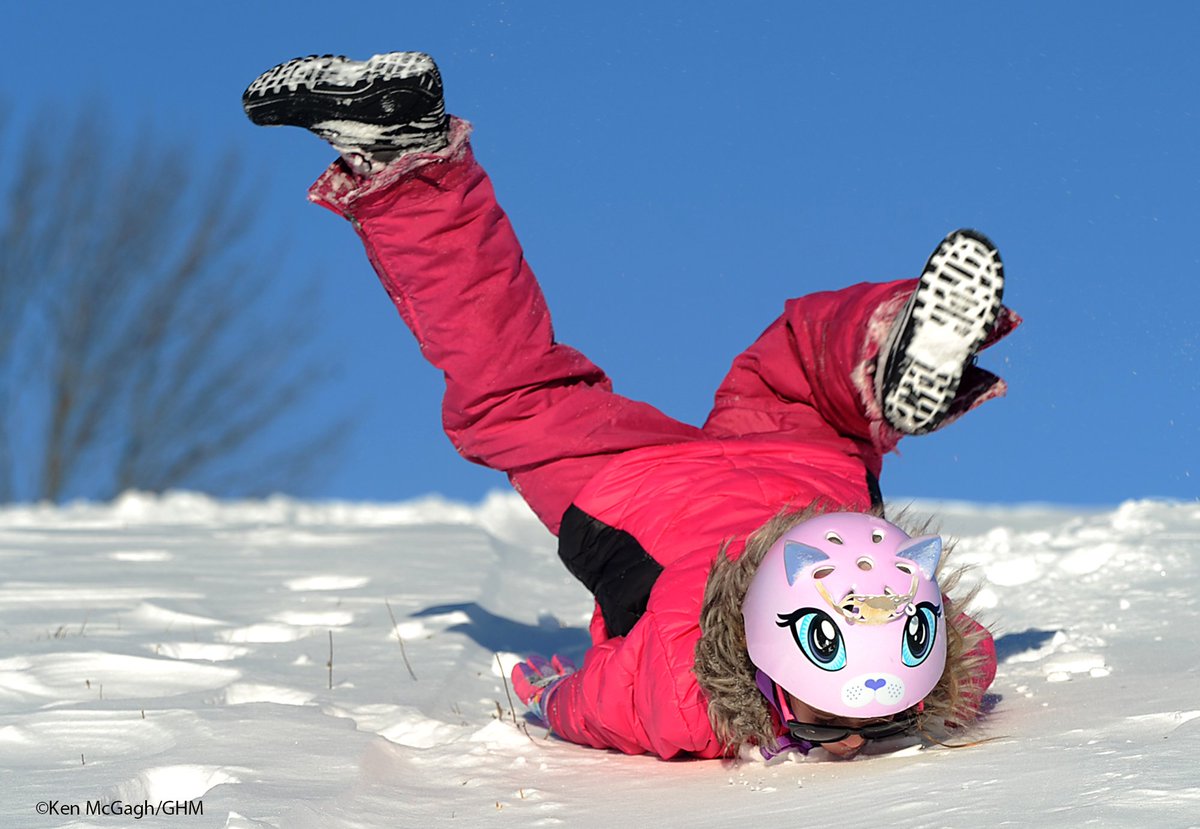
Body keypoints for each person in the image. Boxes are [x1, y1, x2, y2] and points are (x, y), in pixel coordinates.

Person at [242, 52, 1018, 761]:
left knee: (801, 364)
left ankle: (884, 345)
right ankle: (405, 157)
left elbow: (972, 650)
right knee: (512, 391)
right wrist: (548, 692)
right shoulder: (688, 691)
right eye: (877, 719)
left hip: (791, 468)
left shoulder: (898, 615)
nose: (851, 743)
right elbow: (594, 702)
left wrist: (933, 676)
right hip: (642, 485)